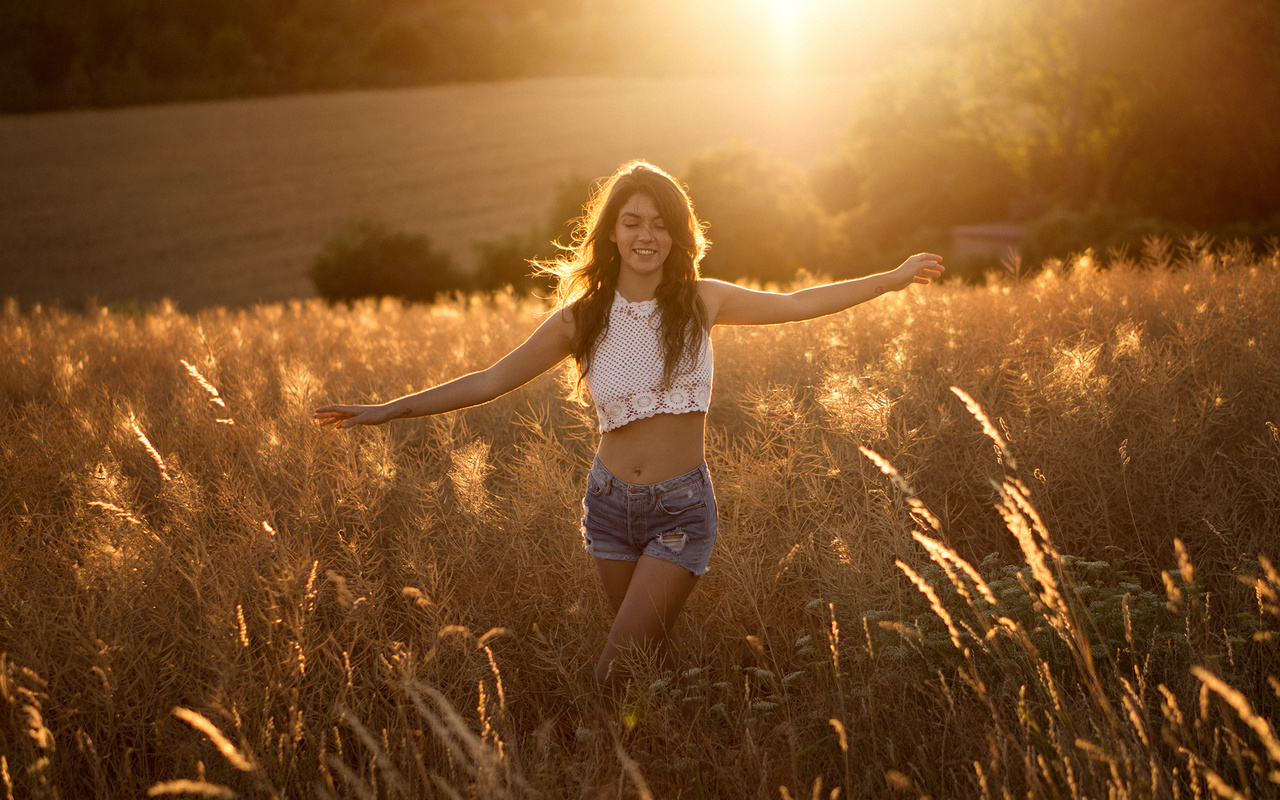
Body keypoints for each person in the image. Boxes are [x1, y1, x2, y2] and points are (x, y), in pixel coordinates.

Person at [313, 160, 944, 689]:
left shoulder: (703, 301)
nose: (647, 235)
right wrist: (387, 409)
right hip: (609, 508)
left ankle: (623, 756)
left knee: (612, 671)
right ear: (611, 232)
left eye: (661, 224)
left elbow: (802, 303)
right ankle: (661, 750)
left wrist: (891, 280)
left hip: (679, 510)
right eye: (633, 221)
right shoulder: (581, 319)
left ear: (678, 236)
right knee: (642, 663)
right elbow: (487, 380)